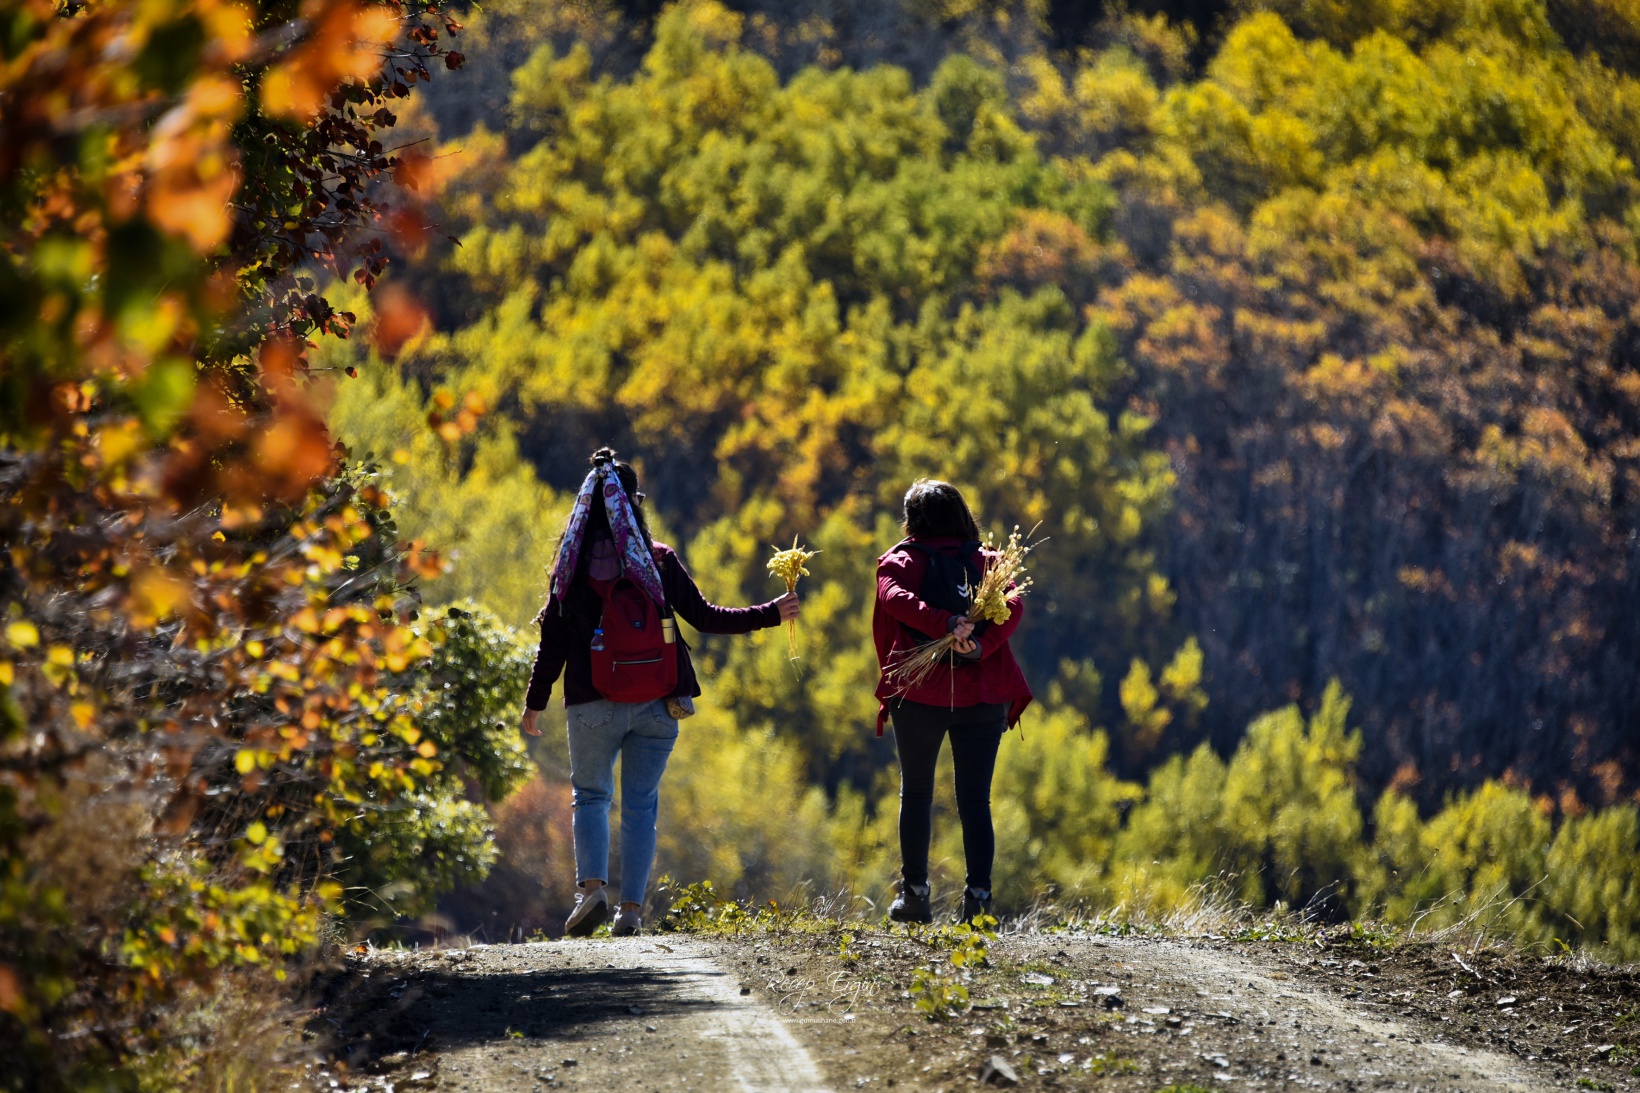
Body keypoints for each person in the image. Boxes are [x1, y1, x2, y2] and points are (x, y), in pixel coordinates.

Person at [520, 447, 799, 937]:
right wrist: (771, 613)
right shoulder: (659, 561)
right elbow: (708, 618)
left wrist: (534, 703)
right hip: (656, 703)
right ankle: (630, 910)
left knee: (590, 796)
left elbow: (553, 644)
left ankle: (591, 892)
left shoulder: (570, 569)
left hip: (591, 705)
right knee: (641, 806)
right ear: (634, 504)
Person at [871, 479, 1032, 924]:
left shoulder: (899, 561)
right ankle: (978, 902)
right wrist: (977, 644)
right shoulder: (989, 563)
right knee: (976, 801)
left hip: (921, 693)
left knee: (917, 792)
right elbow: (1014, 603)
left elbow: (893, 598)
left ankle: (915, 896)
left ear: (913, 519)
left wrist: (943, 624)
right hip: (982, 695)